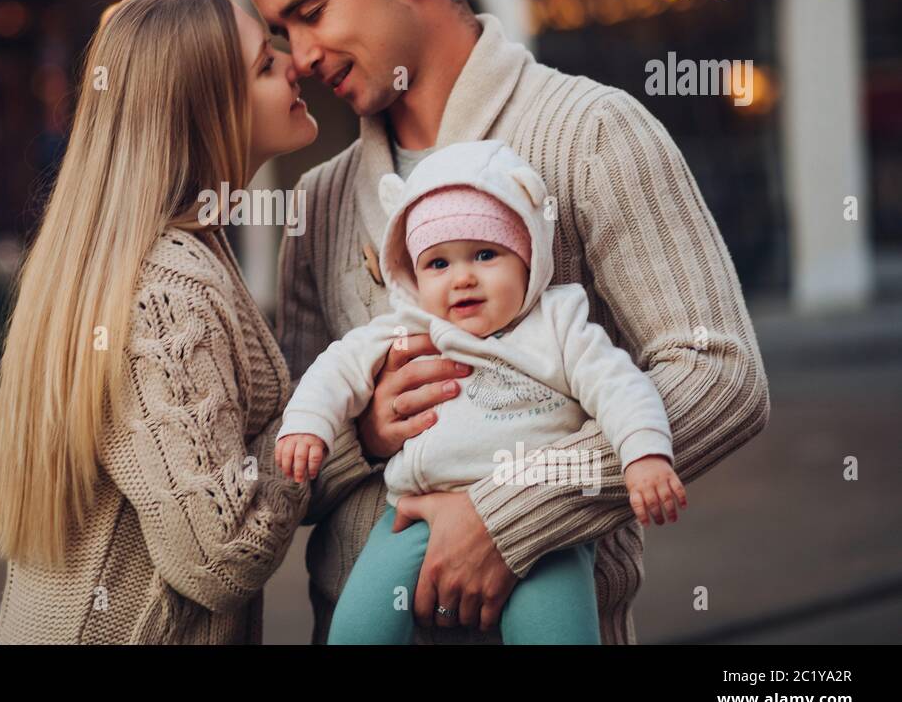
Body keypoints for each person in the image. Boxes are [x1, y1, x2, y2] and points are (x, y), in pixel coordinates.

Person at [242, 0, 770, 644]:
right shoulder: (318, 200)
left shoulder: (594, 131)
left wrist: (515, 511)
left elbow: (721, 375)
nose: (303, 54)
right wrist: (365, 435)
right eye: (282, 32)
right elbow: (295, 463)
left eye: (311, 11)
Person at [0, 0, 366, 643]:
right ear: (205, 108)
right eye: (265, 64)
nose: (296, 64)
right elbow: (219, 555)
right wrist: (345, 423)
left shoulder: (156, 253)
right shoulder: (164, 289)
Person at [274, 140, 686, 643]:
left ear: (528, 256)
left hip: (540, 529)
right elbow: (334, 369)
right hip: (417, 512)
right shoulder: (405, 329)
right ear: (411, 273)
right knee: (359, 628)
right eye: (438, 264)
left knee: (555, 630)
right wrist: (307, 426)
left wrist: (643, 453)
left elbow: (619, 384)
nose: (462, 278)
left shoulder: (558, 326)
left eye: (485, 254)